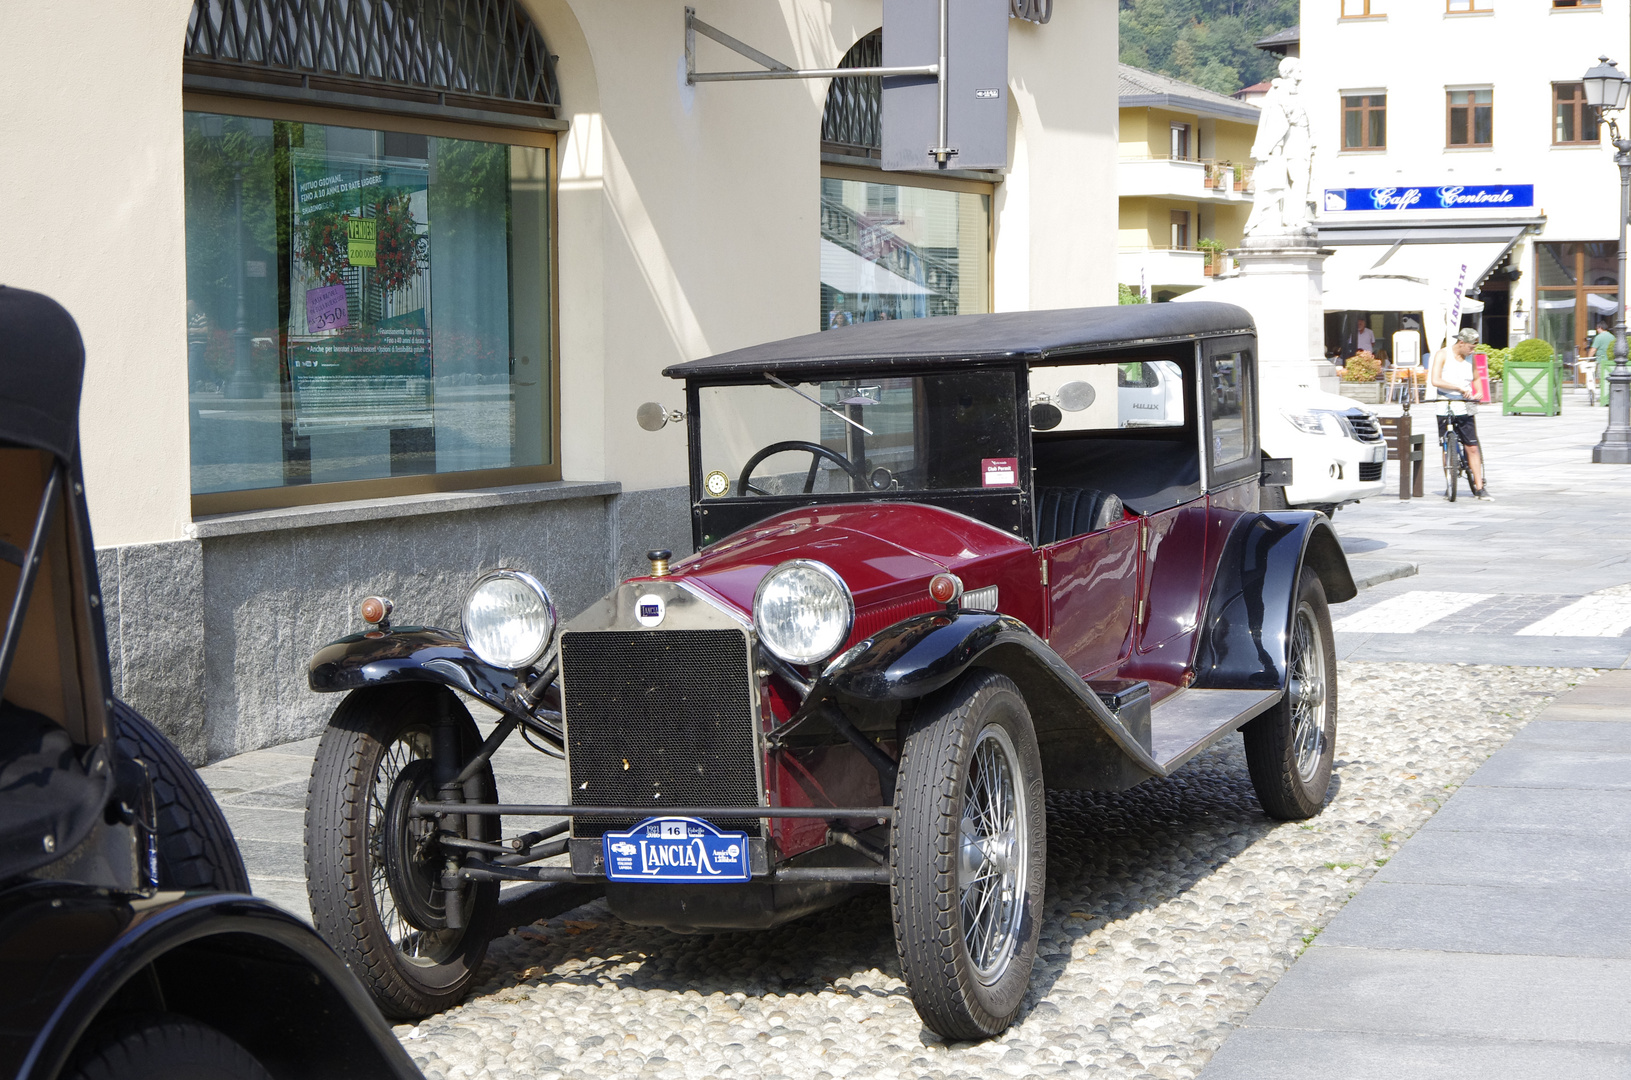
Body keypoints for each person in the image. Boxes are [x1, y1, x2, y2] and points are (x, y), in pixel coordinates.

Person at [1430, 327, 1492, 500]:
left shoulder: (1470, 359)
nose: (1472, 351)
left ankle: (1480, 487)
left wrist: (1478, 393)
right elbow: (1435, 380)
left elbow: (1477, 378)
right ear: (1461, 343)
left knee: (1471, 446)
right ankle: (1450, 481)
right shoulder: (1442, 354)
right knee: (1445, 446)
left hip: (1465, 403)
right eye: (1471, 347)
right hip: (1445, 402)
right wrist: (1457, 387)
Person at [1585, 318, 1615, 406]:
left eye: (1597, 329)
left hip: (1602, 362)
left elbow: (1593, 350)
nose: (1597, 330)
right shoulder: (1612, 336)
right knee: (1610, 379)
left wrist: (1588, 359)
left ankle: (1604, 396)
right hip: (1611, 361)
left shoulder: (1599, 337)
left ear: (1599, 328)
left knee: (1602, 379)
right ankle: (1610, 396)